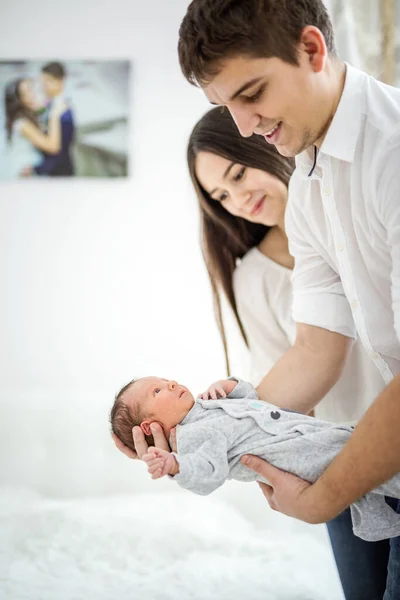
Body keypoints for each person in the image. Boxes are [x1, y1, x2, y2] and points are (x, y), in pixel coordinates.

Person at [113, 107, 390, 598]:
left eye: (238, 175)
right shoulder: (254, 277)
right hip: (334, 463)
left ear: (265, 141)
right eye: (222, 195)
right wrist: (200, 432)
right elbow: (284, 391)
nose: (238, 199)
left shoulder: (356, 218)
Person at [177, 1, 400, 599]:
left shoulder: (393, 155)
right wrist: (199, 433)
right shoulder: (309, 185)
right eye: (227, 107)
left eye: (253, 94)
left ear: (311, 48)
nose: (245, 126)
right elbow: (314, 350)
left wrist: (323, 497)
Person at [110, 375, 400, 542]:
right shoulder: (190, 438)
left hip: (302, 436)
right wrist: (175, 464)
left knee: (356, 451)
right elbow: (208, 473)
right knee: (358, 464)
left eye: (165, 379)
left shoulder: (207, 404)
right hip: (292, 458)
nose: (171, 383)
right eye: (158, 391)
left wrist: (230, 386)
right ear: (149, 427)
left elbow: (254, 401)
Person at [2, 77, 65, 180]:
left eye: (31, 89)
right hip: (24, 175)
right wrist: (54, 115)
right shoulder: (22, 124)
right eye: (26, 93)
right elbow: (53, 147)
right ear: (19, 101)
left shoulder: (29, 116)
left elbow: (42, 107)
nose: (33, 94)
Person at [27, 61, 75, 177]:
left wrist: (36, 170)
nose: (44, 86)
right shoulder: (48, 105)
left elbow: (60, 153)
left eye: (48, 81)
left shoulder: (64, 113)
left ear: (60, 82)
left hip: (59, 173)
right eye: (43, 81)